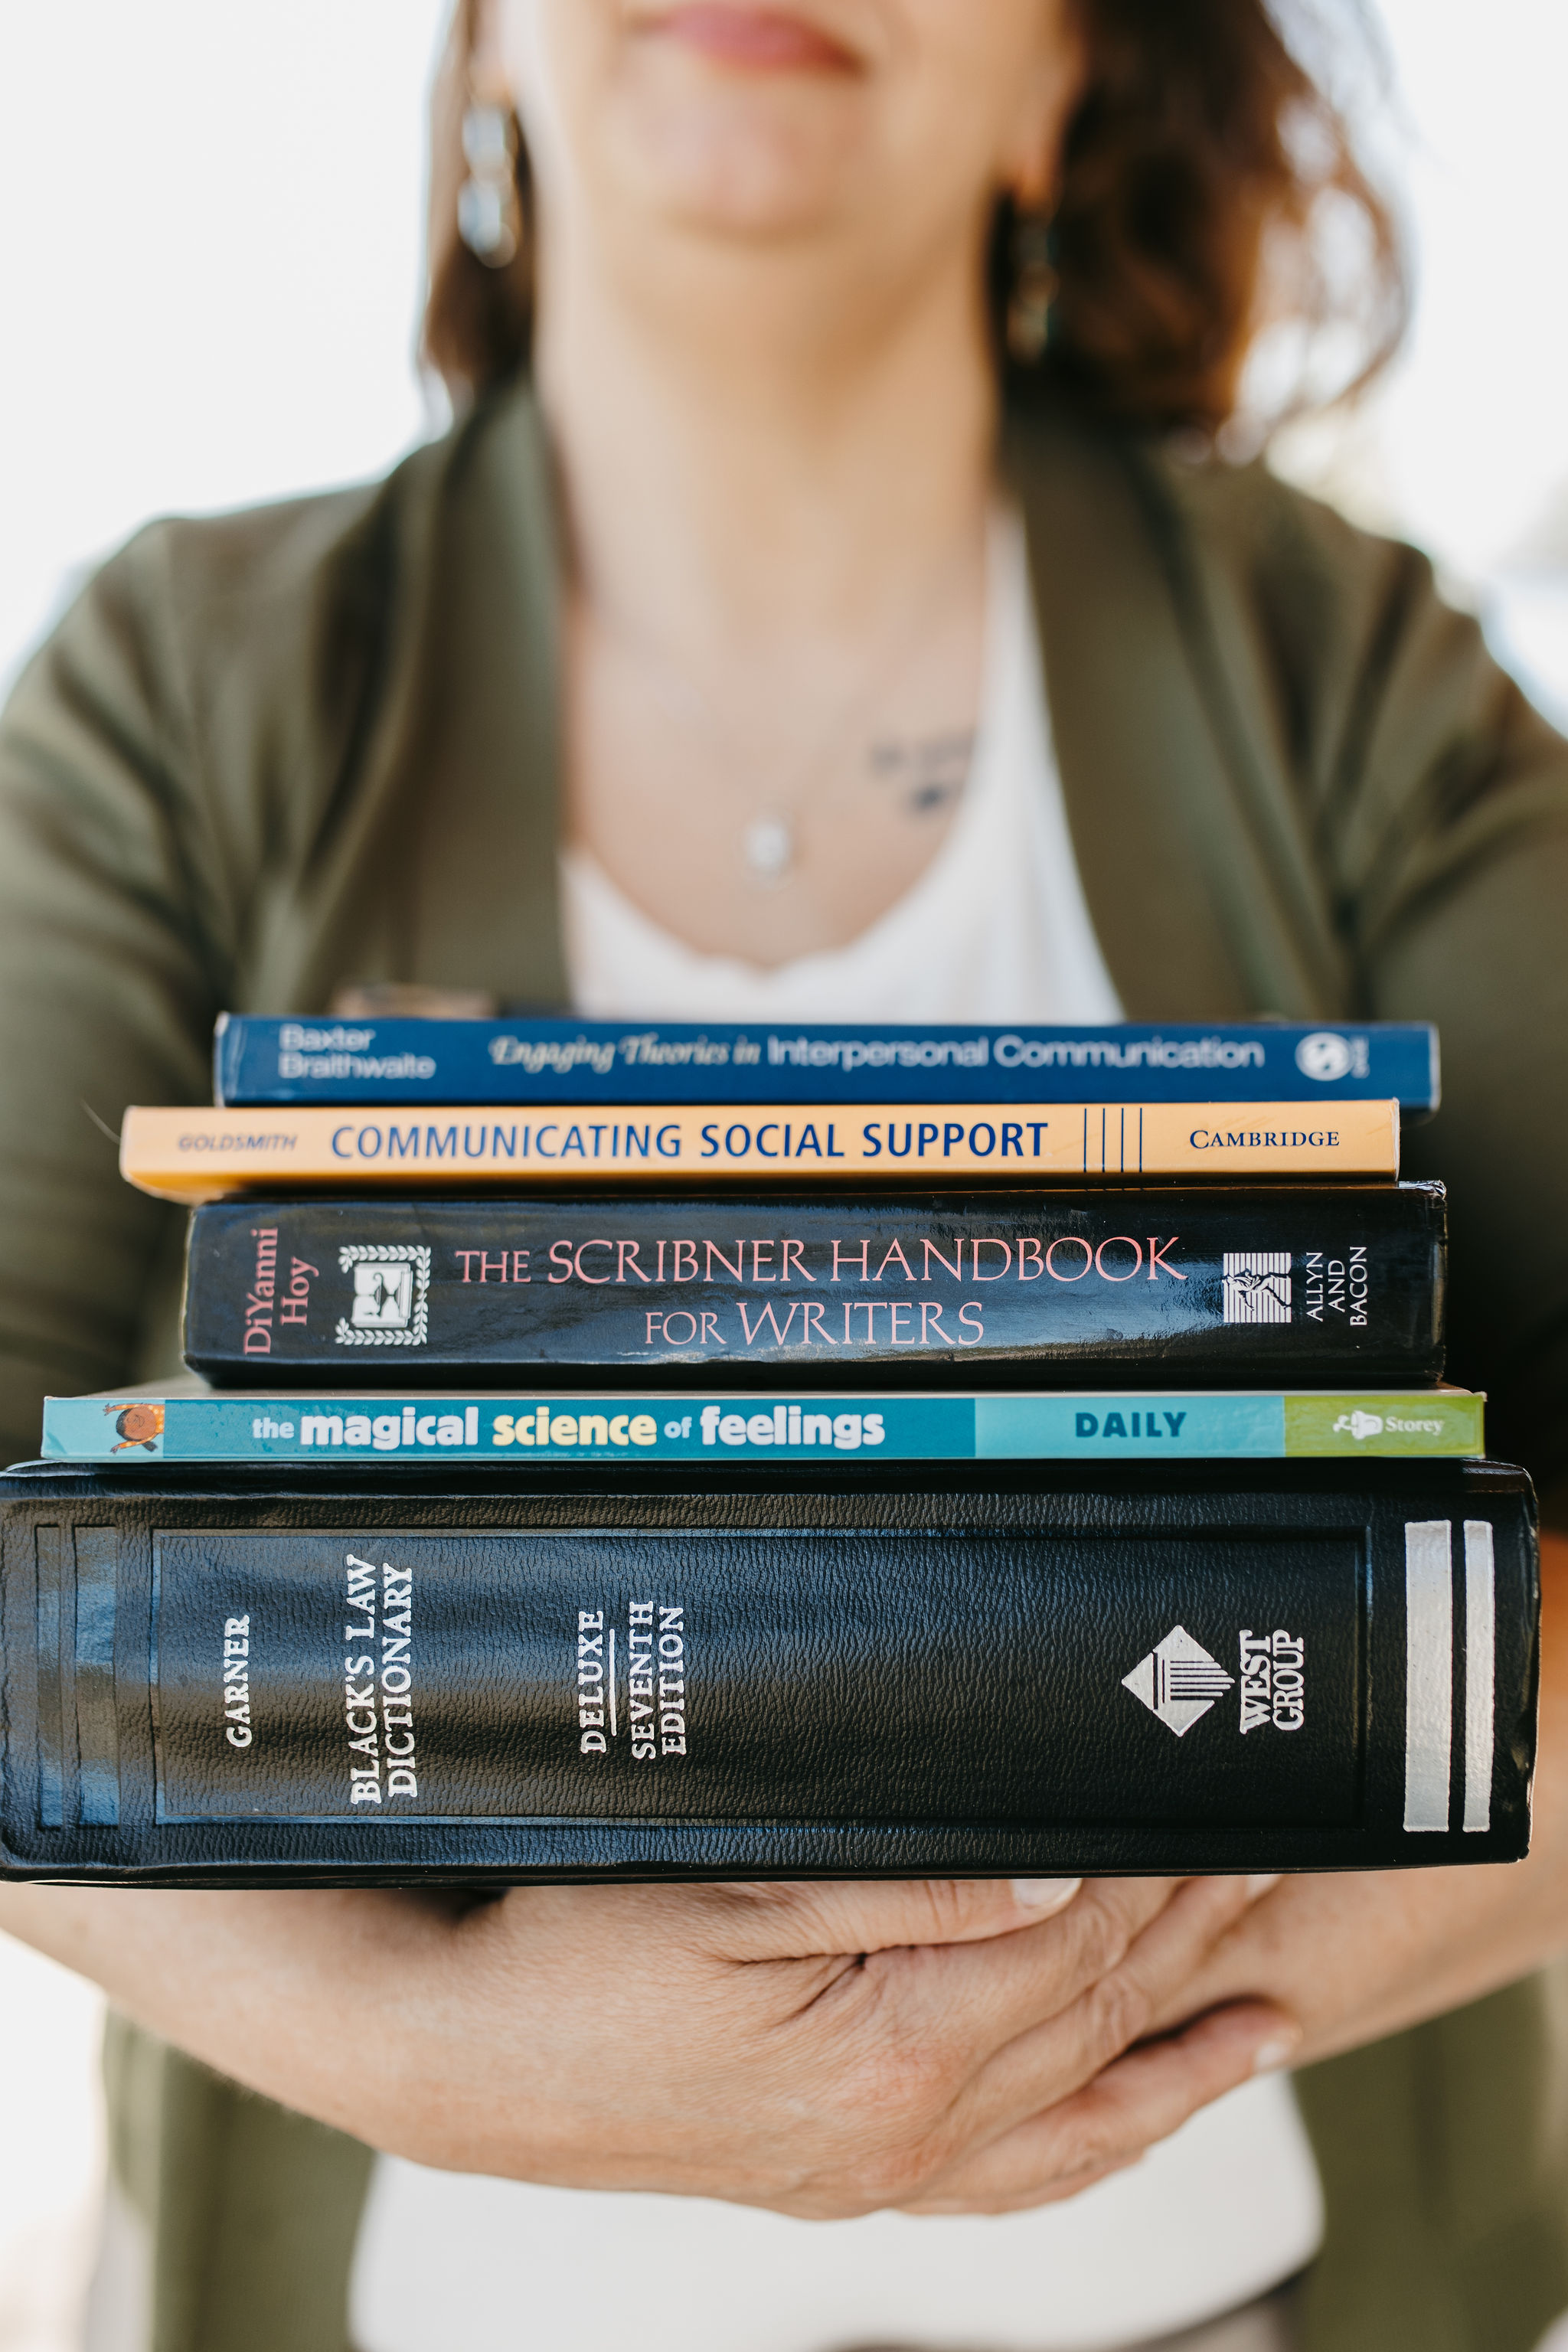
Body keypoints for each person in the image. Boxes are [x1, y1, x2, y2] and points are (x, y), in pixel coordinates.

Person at [2, 2, 1568, 2348]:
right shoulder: (183, 679)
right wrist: (428, 2060)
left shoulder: (1344, 668)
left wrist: (1021, 2040)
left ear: (1070, 86)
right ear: (491, 51)